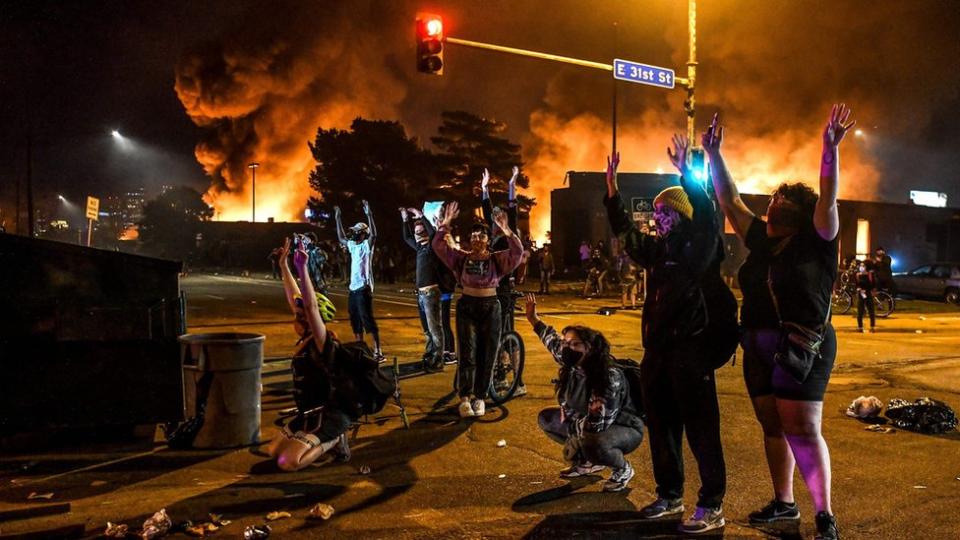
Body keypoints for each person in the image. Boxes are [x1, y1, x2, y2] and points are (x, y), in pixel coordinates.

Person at [703, 105, 854, 540]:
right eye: (775, 197)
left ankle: (824, 515)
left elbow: (828, 195)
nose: (776, 201)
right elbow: (729, 199)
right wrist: (715, 155)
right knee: (773, 426)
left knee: (803, 429)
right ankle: (784, 504)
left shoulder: (818, 240)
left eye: (786, 199)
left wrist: (829, 150)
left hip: (802, 346)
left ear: (803, 213)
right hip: (758, 345)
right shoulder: (760, 240)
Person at [605, 138, 737, 534]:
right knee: (662, 428)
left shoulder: (702, 250)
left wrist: (688, 174)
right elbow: (627, 235)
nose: (657, 217)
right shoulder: (657, 251)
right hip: (658, 354)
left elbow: (709, 219)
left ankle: (711, 505)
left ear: (681, 215)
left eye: (664, 212)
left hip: (691, 353)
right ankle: (669, 495)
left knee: (701, 430)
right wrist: (612, 191)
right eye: (656, 212)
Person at [525, 293, 644, 492]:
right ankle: (588, 462)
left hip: (625, 428)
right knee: (547, 418)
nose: (567, 347)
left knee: (593, 441)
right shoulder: (573, 363)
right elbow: (551, 341)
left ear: (589, 348)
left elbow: (599, 424)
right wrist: (533, 319)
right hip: (586, 425)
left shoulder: (609, 377)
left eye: (574, 344)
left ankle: (622, 469)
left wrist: (574, 434)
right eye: (566, 342)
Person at [268, 237, 351, 471]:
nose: (295, 316)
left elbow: (311, 307)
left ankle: (335, 441)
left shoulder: (321, 339)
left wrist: (303, 268)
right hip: (308, 412)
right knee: (273, 451)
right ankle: (319, 440)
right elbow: (295, 298)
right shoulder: (305, 338)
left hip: (329, 415)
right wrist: (284, 266)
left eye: (299, 315)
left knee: (288, 462)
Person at [433, 201, 523, 418]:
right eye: (473, 235)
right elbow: (438, 246)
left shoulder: (496, 260)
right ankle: (464, 398)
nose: (477, 239)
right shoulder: (461, 257)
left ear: (488, 240)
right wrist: (445, 223)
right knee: (467, 352)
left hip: (491, 308)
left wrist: (506, 229)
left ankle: (480, 397)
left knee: (488, 353)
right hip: (467, 307)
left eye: (481, 236)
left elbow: (518, 252)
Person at [481, 166, 528, 396]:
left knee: (508, 336)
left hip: (505, 293)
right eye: (494, 217)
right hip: (491, 292)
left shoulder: (511, 235)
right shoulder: (491, 237)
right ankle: (499, 375)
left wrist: (512, 184)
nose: (496, 219)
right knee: (494, 336)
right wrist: (484, 189)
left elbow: (513, 207)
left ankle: (518, 382)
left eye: (501, 217)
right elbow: (486, 209)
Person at [334, 200, 384, 362]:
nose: (353, 233)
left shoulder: (366, 246)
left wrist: (369, 214)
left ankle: (378, 351)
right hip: (353, 289)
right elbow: (341, 237)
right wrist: (337, 218)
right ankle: (360, 347)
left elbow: (374, 235)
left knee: (367, 318)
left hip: (363, 288)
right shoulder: (352, 245)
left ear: (363, 233)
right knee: (354, 318)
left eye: (357, 231)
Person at [401, 206, 446, 372]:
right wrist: (405, 218)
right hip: (420, 294)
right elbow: (406, 237)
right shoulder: (419, 248)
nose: (416, 234)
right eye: (416, 232)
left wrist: (421, 216)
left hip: (431, 293)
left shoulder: (432, 247)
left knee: (435, 328)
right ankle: (430, 354)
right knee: (427, 329)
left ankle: (438, 359)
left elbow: (434, 234)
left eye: (420, 232)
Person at [856, 259, 877, 333]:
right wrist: (859, 289)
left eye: (863, 266)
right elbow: (856, 284)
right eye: (860, 266)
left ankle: (872, 326)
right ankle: (860, 327)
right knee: (860, 311)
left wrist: (869, 290)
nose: (861, 267)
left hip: (868, 294)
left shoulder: (870, 275)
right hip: (861, 294)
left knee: (871, 310)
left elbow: (873, 284)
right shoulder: (858, 275)